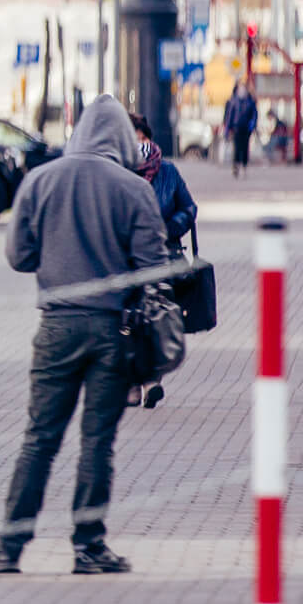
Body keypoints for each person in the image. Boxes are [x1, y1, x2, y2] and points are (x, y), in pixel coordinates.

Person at [0, 98, 168, 576]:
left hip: (56, 327)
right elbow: (152, 268)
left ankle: (8, 548)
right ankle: (89, 547)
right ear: (122, 140)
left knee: (39, 440)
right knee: (97, 442)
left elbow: (19, 256)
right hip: (112, 331)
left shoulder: (42, 179)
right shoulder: (133, 189)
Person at [127, 112, 197, 411]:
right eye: (132, 138)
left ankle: (152, 381)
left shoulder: (167, 172)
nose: (138, 143)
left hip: (162, 255)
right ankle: (132, 383)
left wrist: (172, 227)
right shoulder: (119, 171)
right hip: (126, 259)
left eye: (141, 137)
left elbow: (189, 207)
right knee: (128, 321)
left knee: (155, 317)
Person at [224, 85, 258, 177]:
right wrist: (227, 129)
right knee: (237, 148)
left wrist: (252, 126)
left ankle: (244, 165)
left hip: (246, 130)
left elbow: (254, 115)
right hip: (236, 129)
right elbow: (230, 116)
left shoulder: (250, 102)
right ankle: (236, 166)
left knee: (245, 148)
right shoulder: (234, 102)